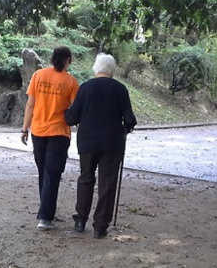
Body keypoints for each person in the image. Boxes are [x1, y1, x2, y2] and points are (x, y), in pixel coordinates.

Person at [64, 53, 137, 239]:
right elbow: (130, 119)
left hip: (88, 141)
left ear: (96, 68)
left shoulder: (86, 87)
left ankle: (80, 220)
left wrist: (65, 112)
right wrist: (124, 129)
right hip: (112, 143)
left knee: (86, 178)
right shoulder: (120, 89)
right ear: (112, 69)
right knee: (108, 183)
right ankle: (100, 226)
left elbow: (72, 118)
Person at [21, 46, 79, 230]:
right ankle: (45, 218)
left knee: (43, 173)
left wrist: (24, 129)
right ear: (68, 60)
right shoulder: (71, 82)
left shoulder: (38, 75)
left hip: (38, 131)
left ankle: (46, 211)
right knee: (52, 174)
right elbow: (75, 109)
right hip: (59, 133)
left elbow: (30, 104)